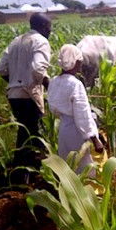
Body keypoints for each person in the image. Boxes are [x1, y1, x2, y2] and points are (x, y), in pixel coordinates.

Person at [0, 12, 52, 172]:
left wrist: (15, 81)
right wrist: (50, 85)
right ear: (42, 26)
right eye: (49, 28)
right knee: (34, 132)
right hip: (29, 96)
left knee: (25, 131)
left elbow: (0, 69)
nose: (50, 31)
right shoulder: (41, 42)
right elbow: (37, 69)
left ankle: (21, 167)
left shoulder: (16, 41)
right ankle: (31, 168)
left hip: (14, 95)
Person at [47, 44, 104, 178]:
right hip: (77, 132)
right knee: (84, 168)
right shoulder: (75, 84)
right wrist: (95, 139)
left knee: (68, 166)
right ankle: (87, 195)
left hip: (63, 131)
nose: (80, 66)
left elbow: (53, 108)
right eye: (79, 62)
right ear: (74, 63)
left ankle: (69, 193)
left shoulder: (54, 81)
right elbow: (82, 115)